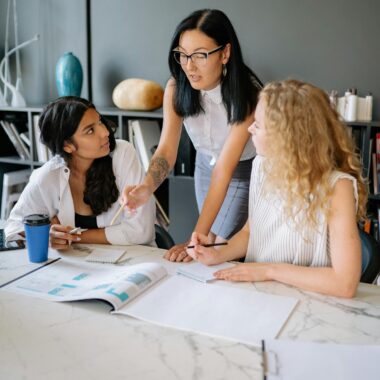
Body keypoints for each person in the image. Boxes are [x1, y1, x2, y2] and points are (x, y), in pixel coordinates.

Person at [186, 79, 367, 298]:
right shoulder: (262, 165)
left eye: (259, 125)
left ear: (287, 137)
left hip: (312, 303)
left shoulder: (338, 187)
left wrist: (269, 270)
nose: (250, 128)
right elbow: (250, 232)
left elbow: (344, 284)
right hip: (261, 295)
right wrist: (218, 253)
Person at [122, 9, 262, 262]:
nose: (189, 66)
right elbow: (166, 151)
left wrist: (195, 237)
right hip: (204, 167)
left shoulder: (248, 95)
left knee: (217, 248)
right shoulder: (176, 88)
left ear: (225, 53)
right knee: (206, 248)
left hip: (241, 171)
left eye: (200, 55)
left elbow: (225, 169)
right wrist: (145, 188)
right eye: (183, 55)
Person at [5, 96, 156, 249]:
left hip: (134, 261)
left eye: (100, 122)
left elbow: (140, 232)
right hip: (81, 266)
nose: (104, 132)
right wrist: (48, 235)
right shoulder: (49, 175)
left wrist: (73, 236)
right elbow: (13, 228)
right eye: (90, 130)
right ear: (67, 146)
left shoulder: (122, 153)